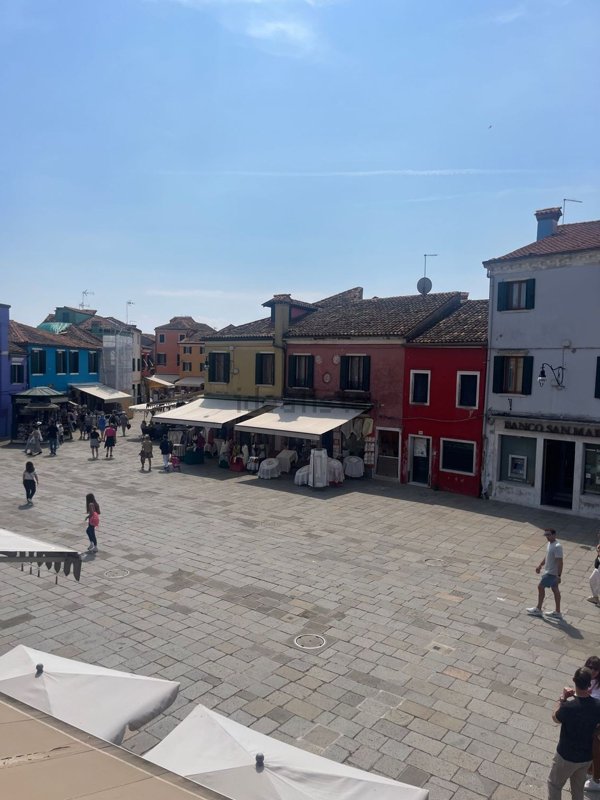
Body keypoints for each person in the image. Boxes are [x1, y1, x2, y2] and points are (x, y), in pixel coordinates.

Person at [548, 667, 600, 800]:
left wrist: (562, 699)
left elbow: (555, 717)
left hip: (566, 756)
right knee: (578, 790)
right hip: (586, 758)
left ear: (574, 681)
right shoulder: (598, 706)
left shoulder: (569, 707)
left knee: (554, 785)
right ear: (589, 683)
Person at [527, 528, 563, 618]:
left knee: (540, 587)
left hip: (551, 573)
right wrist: (540, 565)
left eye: (549, 535)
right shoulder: (550, 544)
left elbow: (560, 562)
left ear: (554, 535)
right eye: (546, 535)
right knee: (555, 589)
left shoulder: (557, 546)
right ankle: (557, 612)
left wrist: (558, 575)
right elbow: (547, 556)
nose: (547, 537)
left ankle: (538, 609)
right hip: (550, 571)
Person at [584, 656, 600, 792]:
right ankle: (589, 771)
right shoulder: (586, 679)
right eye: (590, 667)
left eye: (596, 668)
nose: (593, 671)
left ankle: (596, 779)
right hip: (590, 721)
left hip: (597, 724)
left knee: (596, 751)